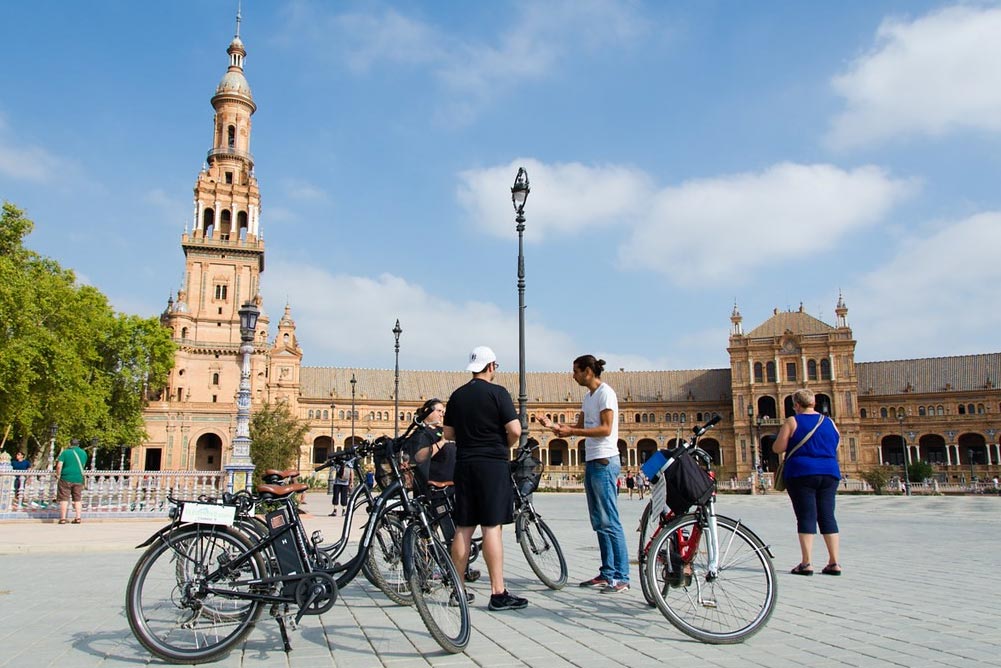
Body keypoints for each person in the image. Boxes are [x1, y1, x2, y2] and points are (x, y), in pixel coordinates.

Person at [443, 345, 527, 611]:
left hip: (464, 464)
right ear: (491, 366)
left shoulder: (457, 396)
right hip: (492, 465)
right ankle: (498, 593)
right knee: (491, 527)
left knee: (464, 527)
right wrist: (504, 444)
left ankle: (458, 590)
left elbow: (447, 434)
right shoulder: (498, 393)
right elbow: (515, 430)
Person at [543, 354, 630, 593]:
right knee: (599, 520)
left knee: (610, 520)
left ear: (588, 372)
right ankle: (607, 572)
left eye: (576, 371)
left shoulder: (605, 393)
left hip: (605, 461)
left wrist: (572, 431)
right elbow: (578, 428)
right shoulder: (588, 397)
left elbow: (606, 429)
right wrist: (554, 426)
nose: (573, 376)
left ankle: (622, 576)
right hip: (592, 461)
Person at [773, 389, 842, 576]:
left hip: (801, 473)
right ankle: (834, 562)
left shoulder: (792, 421)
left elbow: (778, 448)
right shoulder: (829, 422)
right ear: (814, 403)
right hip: (829, 472)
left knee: (806, 516)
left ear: (796, 405)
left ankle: (806, 563)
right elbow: (836, 444)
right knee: (827, 516)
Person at [56, 438, 88, 524]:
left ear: (70, 444)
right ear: (78, 444)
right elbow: (83, 465)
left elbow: (59, 465)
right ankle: (78, 517)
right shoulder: (83, 453)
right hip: (78, 478)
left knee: (64, 498)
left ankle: (63, 518)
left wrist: (58, 474)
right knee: (77, 499)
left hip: (66, 477)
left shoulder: (65, 452)